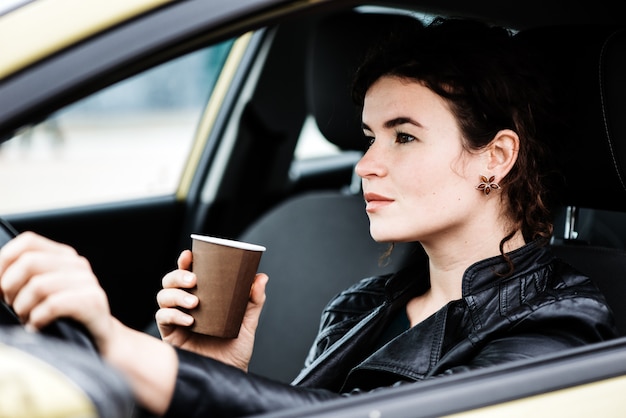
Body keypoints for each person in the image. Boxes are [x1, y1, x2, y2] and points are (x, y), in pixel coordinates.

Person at [0, 17, 618, 417]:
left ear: (497, 157)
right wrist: (215, 365)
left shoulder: (559, 328)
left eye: (403, 137)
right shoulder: (362, 305)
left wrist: (125, 352)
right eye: (368, 136)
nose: (365, 165)